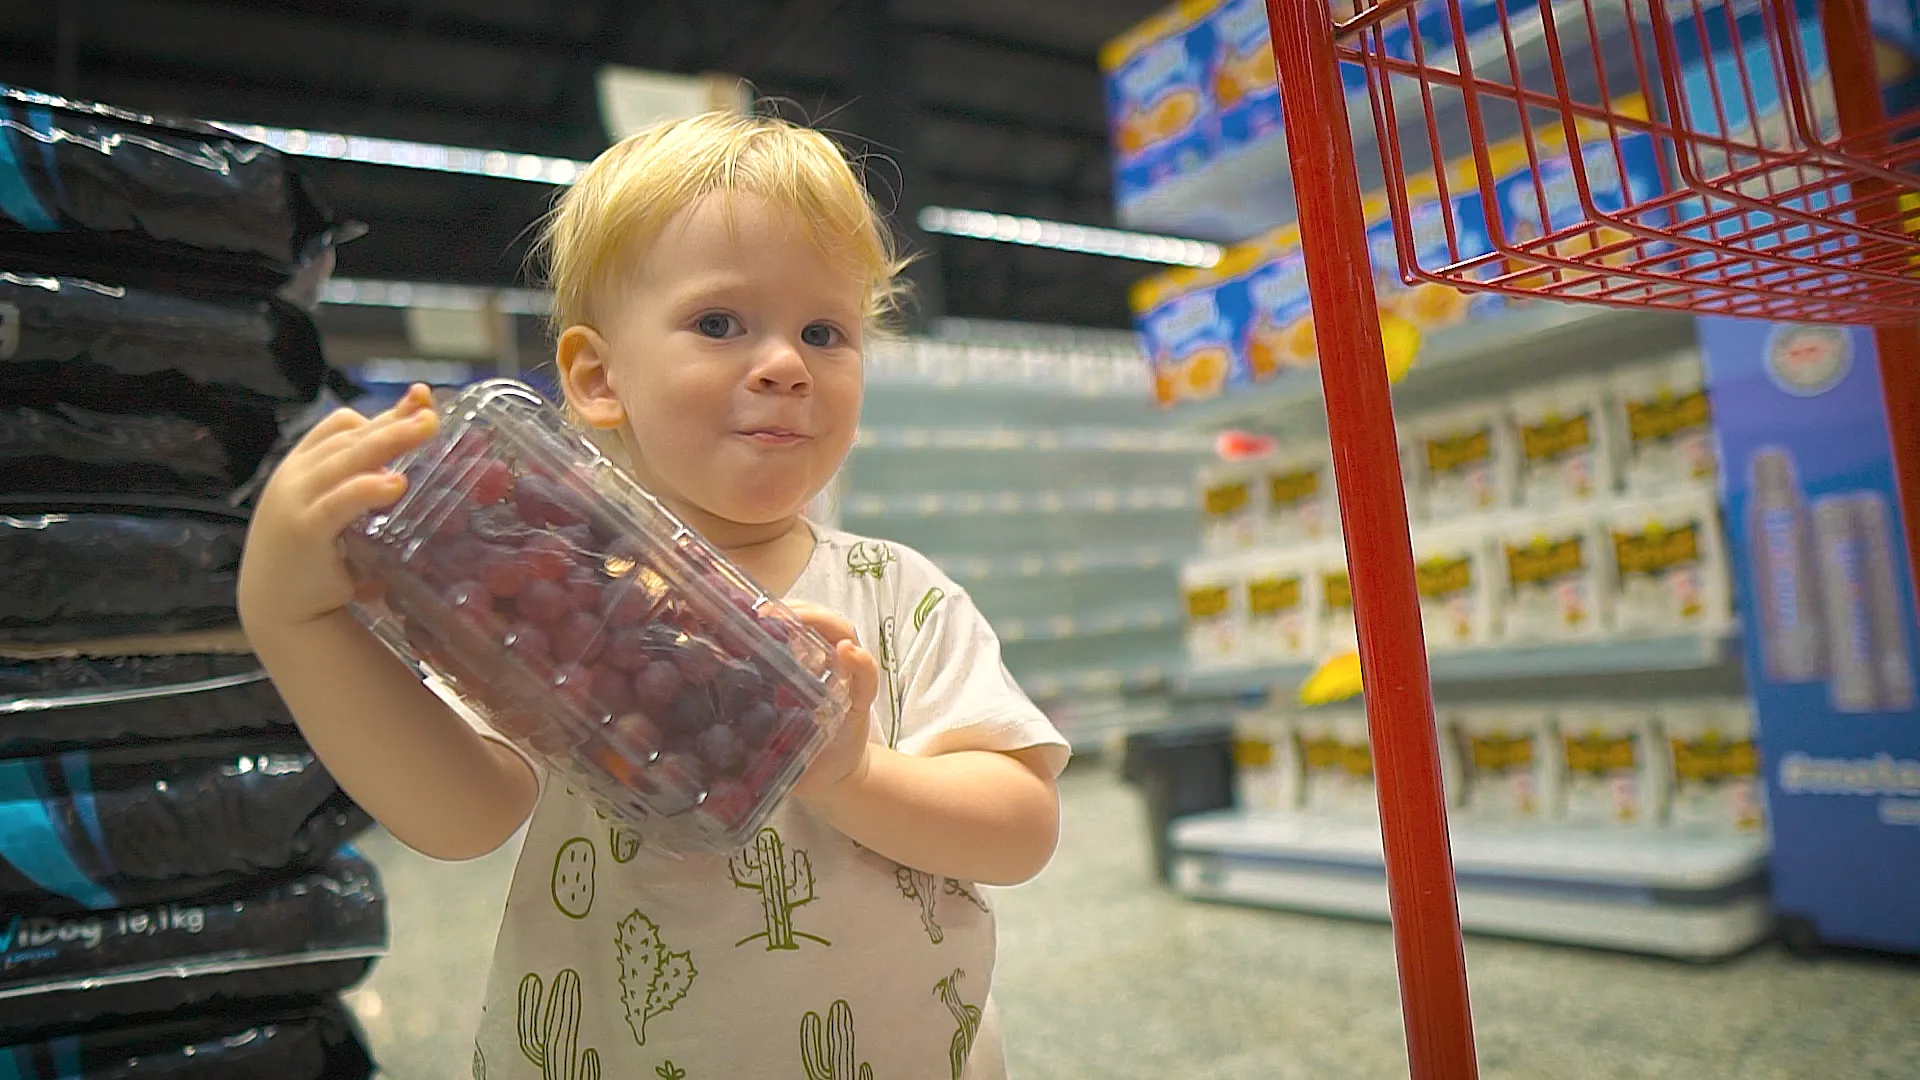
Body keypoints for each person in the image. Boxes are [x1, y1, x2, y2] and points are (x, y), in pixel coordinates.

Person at [237, 110, 1070, 1079]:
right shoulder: (549, 595)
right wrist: (297, 623)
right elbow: (460, 816)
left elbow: (1020, 829)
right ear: (598, 377)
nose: (786, 365)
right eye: (719, 323)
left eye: (824, 332)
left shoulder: (898, 595)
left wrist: (851, 776)